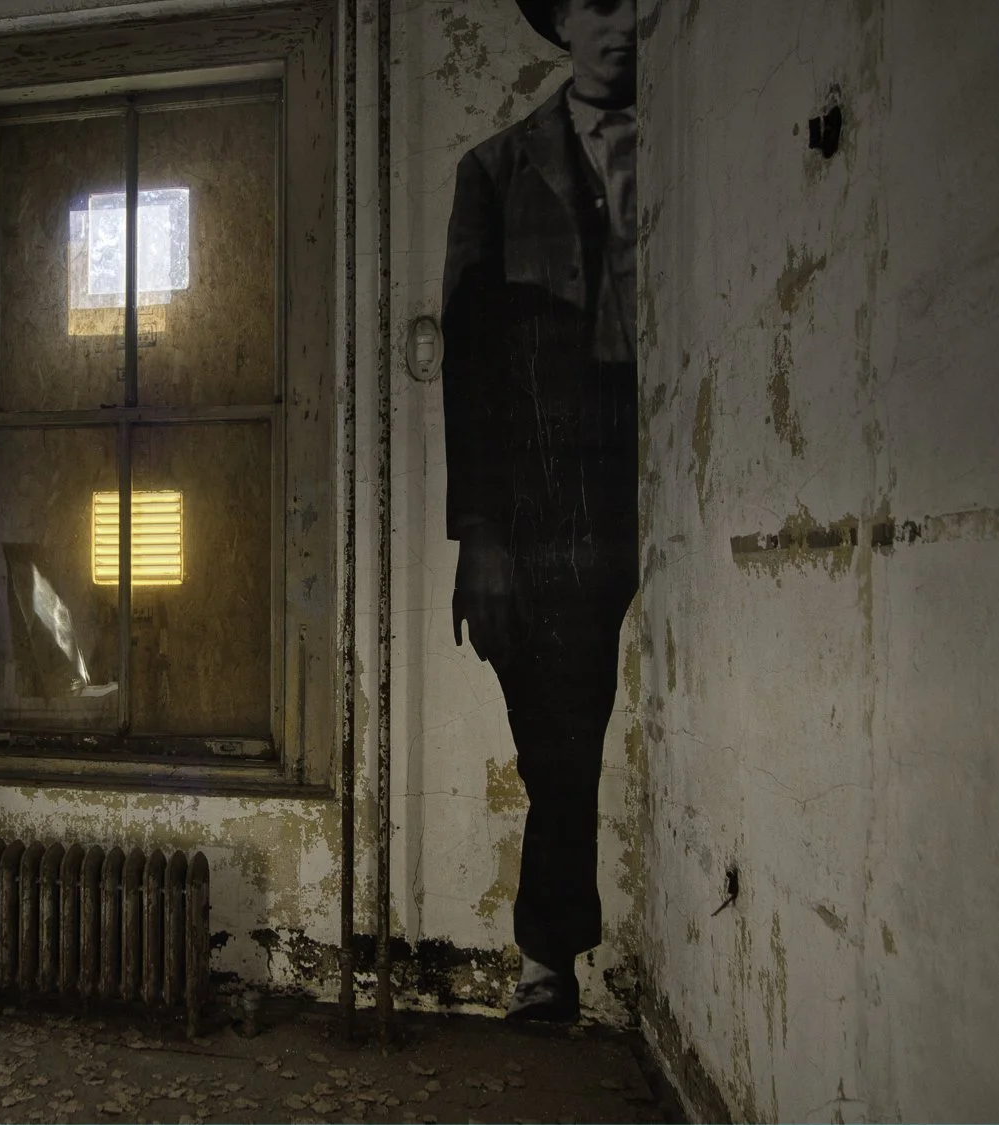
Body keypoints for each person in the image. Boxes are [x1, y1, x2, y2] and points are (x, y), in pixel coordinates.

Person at [439, 0, 638, 1021]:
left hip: (650, 471)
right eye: (597, 5)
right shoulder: (495, 169)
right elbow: (466, 369)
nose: (622, 24)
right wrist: (479, 534)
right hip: (547, 486)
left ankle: (551, 950)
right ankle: (549, 955)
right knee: (555, 732)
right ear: (563, 22)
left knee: (599, 717)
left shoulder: (689, 146)